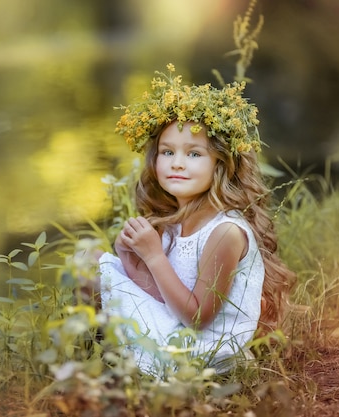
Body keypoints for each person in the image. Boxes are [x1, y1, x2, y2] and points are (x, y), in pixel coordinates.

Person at [94, 64, 295, 374]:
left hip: (201, 350)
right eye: (167, 152)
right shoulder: (173, 221)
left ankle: (109, 370)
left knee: (90, 267)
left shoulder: (225, 231)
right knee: (90, 259)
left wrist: (153, 255)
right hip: (175, 324)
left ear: (221, 163)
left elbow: (198, 317)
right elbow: (163, 295)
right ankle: (101, 364)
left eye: (194, 154)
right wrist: (127, 256)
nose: (177, 164)